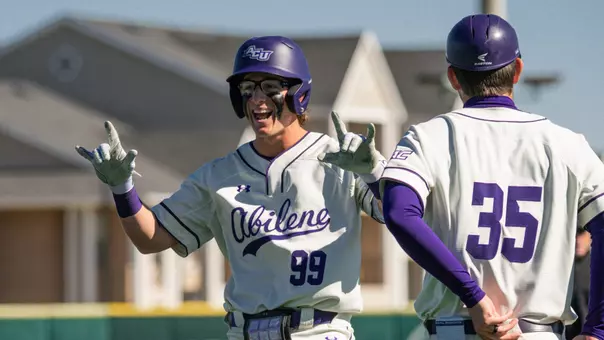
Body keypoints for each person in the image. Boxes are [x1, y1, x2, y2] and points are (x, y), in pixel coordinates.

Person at [75, 35, 387, 340]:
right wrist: (121, 187)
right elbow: (150, 238)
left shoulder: (342, 159)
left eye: (270, 87)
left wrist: (373, 172)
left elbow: (401, 213)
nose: (256, 99)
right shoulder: (218, 175)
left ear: (298, 94)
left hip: (319, 331)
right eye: (248, 88)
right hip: (244, 331)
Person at [378, 14, 604, 340]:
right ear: (518, 70)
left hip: (453, 332)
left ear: (453, 77)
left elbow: (399, 212)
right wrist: (597, 328)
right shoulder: (569, 145)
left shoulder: (429, 137)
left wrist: (474, 296)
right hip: (539, 333)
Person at [566, 228, 592, 339]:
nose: (577, 240)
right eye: (574, 234)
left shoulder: (598, 267)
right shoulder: (563, 268)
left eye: (581, 234)